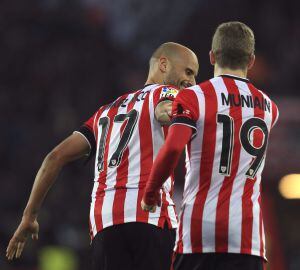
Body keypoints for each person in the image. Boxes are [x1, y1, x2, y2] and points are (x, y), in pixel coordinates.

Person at [6, 42, 199, 270]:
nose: (192, 82)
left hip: (104, 224)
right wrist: (184, 114)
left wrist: (29, 216)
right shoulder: (166, 93)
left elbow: (54, 157)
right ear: (164, 64)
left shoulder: (105, 112)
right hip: (150, 218)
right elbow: (165, 108)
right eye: (188, 71)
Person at [142, 22, 279, 270]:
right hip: (247, 237)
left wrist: (150, 193)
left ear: (212, 56)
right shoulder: (270, 107)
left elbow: (173, 148)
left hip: (199, 231)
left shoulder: (194, 97)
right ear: (251, 61)